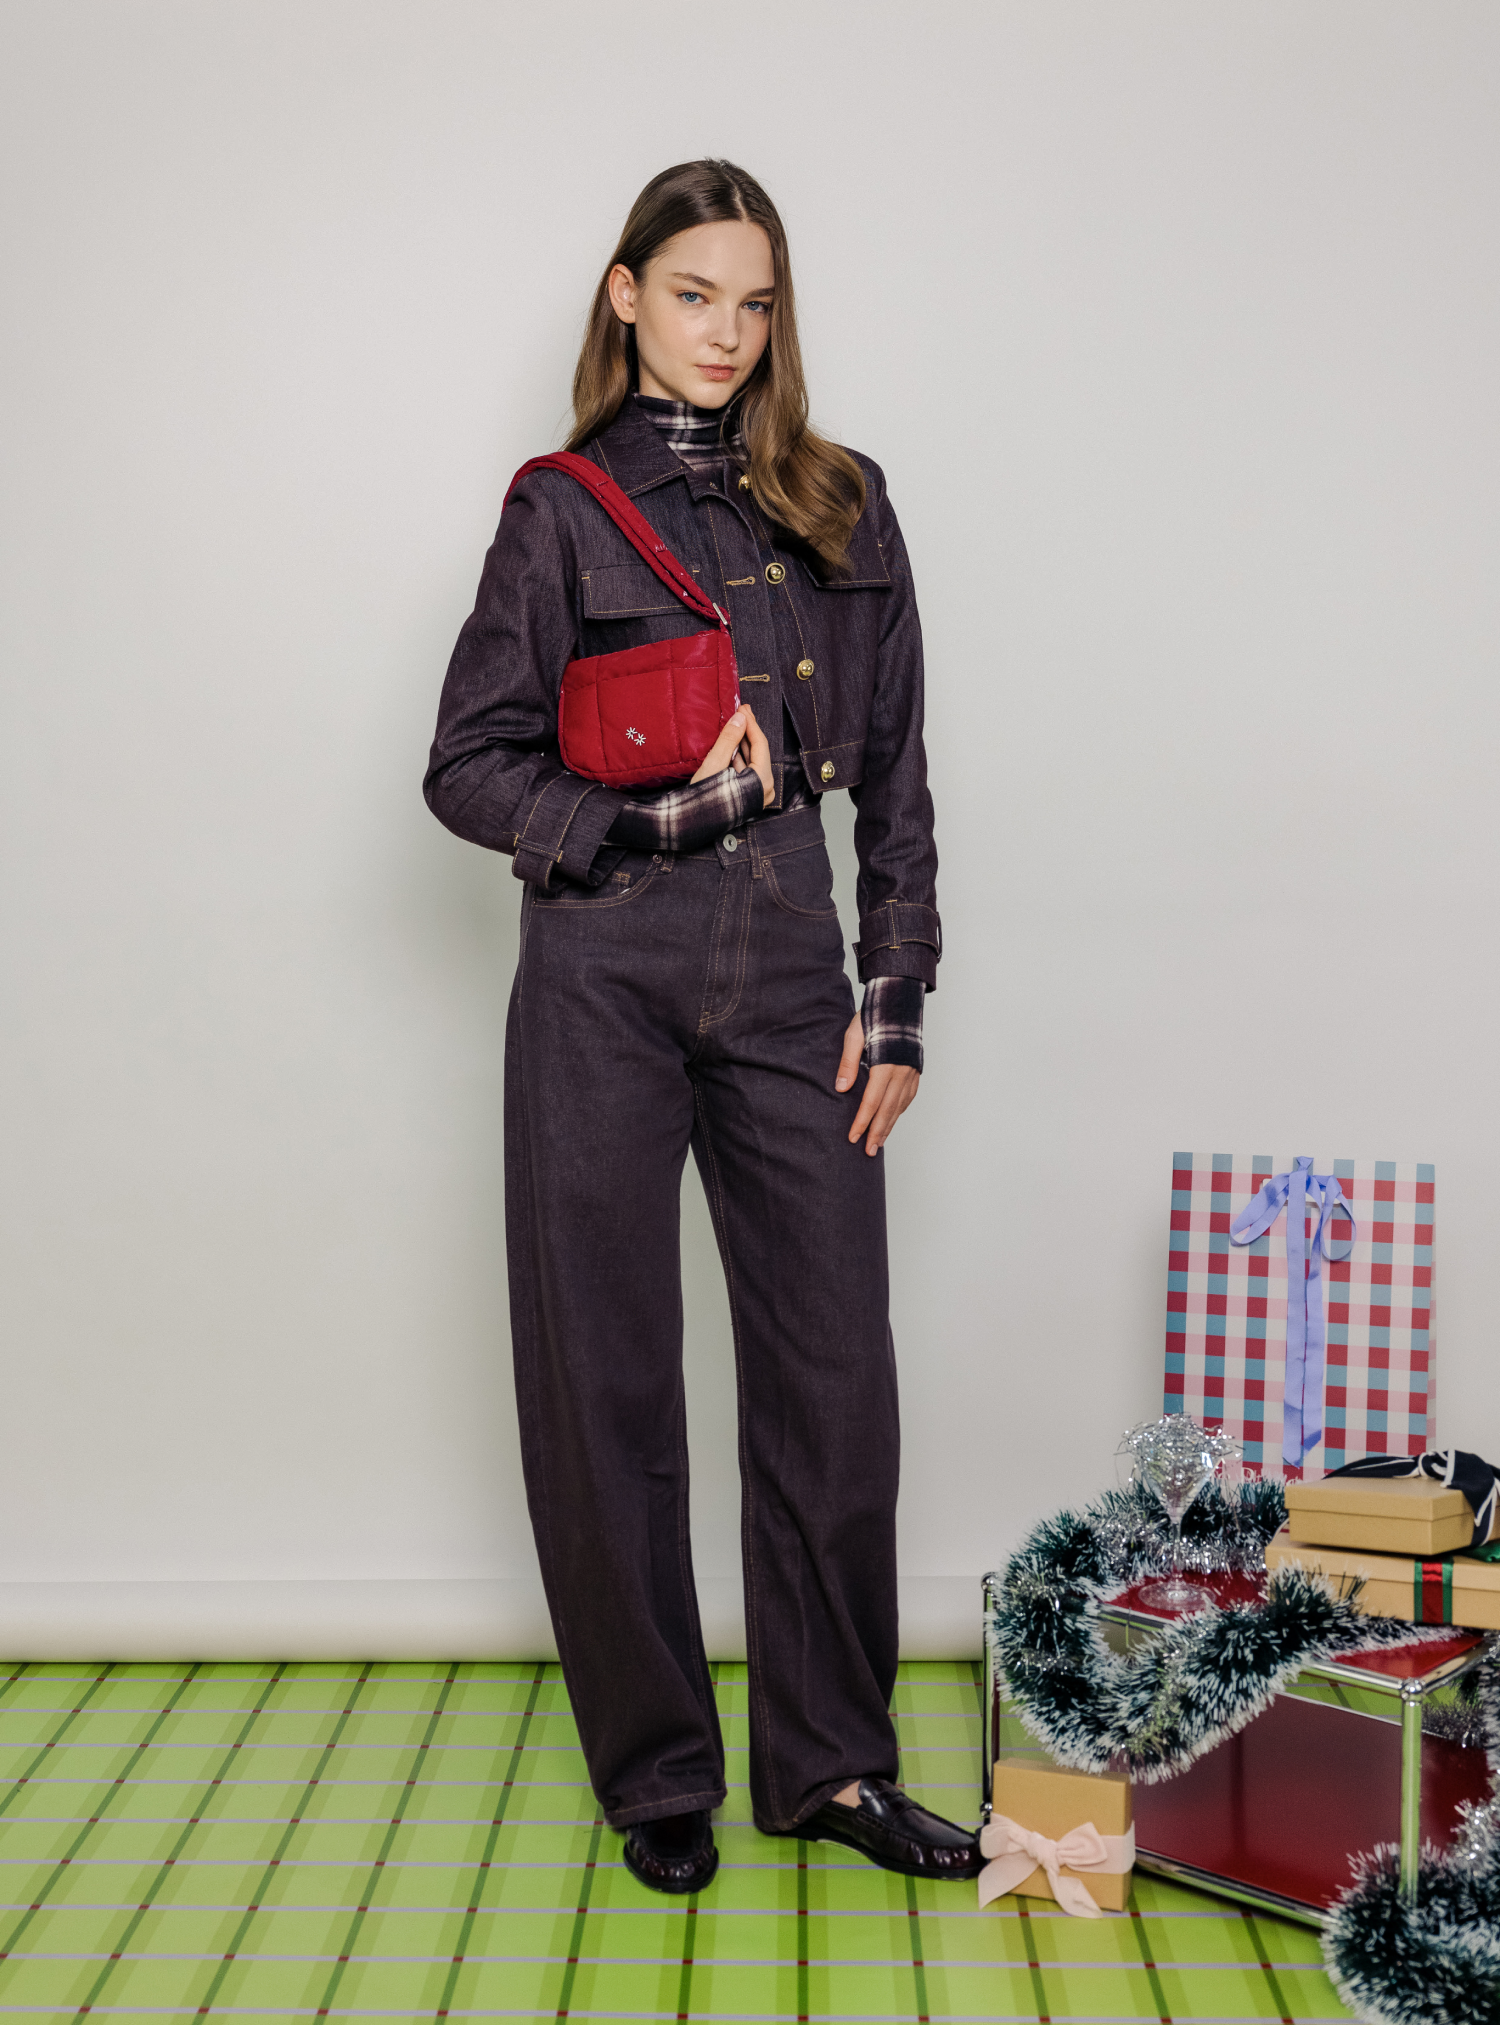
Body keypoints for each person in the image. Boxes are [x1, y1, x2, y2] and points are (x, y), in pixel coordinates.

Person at [425, 159, 971, 1895]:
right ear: (625, 294)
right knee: (604, 1374)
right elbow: (466, 767)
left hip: (795, 959)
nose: (726, 333)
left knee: (833, 1376)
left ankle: (831, 1769)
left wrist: (896, 993)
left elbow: (894, 772)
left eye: (754, 303)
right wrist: (641, 822)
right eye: (692, 295)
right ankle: (659, 1770)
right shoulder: (563, 512)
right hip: (602, 966)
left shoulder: (844, 501)